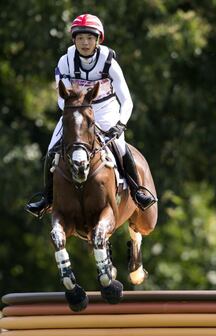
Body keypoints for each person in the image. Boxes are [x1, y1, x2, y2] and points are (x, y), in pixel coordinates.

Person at [25, 13, 157, 218]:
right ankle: (47, 197)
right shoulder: (65, 62)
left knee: (121, 147)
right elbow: (62, 98)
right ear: (74, 40)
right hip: (75, 111)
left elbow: (127, 99)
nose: (84, 43)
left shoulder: (109, 62)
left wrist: (121, 124)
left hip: (105, 110)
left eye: (89, 38)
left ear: (98, 40)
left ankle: (136, 191)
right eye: (80, 38)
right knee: (52, 149)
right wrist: (73, 111)